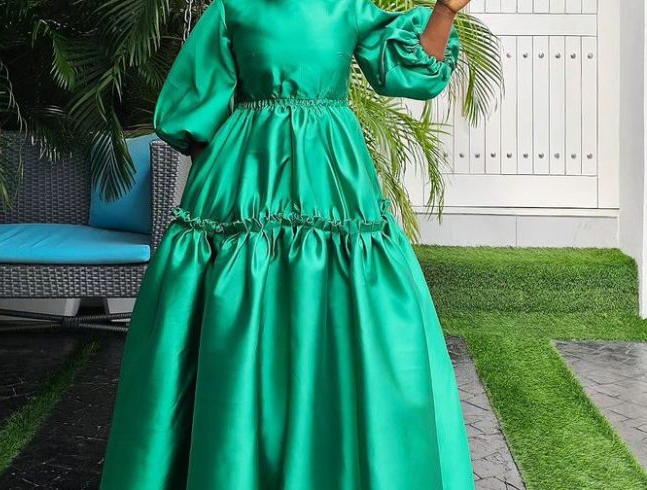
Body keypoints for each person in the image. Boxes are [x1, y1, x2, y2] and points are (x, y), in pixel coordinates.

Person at [100, 0, 474, 488]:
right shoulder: (233, 8)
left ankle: (322, 454)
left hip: (330, 175)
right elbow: (189, 109)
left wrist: (445, 11)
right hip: (247, 174)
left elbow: (412, 71)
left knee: (333, 305)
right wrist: (224, 182)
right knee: (238, 306)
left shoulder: (346, 7)